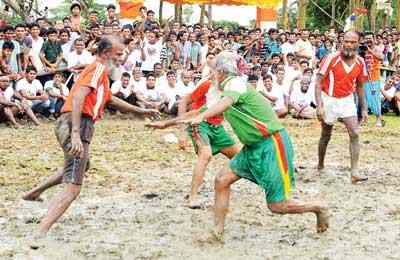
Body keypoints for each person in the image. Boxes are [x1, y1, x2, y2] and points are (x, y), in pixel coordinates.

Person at [22, 37, 159, 239]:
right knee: (74, 186)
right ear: (105, 54)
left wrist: (141, 110)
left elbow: (109, 99)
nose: (122, 58)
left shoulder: (99, 71)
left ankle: (33, 193)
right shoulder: (97, 69)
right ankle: (40, 231)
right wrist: (76, 133)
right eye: (119, 54)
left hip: (71, 123)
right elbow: (78, 98)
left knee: (80, 167)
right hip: (77, 124)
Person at [183, 51, 329, 240]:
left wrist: (202, 116)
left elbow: (223, 104)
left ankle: (318, 207)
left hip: (271, 144)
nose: (211, 75)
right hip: (252, 147)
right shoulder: (223, 89)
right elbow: (201, 110)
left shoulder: (234, 83)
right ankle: (217, 232)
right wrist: (167, 123)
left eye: (213, 71)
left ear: (221, 71)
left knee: (277, 205)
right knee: (221, 180)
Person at [147, 76, 240, 208]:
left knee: (241, 158)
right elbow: (188, 104)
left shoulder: (233, 90)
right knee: (205, 155)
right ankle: (193, 196)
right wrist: (178, 128)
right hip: (199, 124)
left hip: (218, 128)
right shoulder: (208, 85)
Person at [315, 31, 369, 184]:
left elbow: (360, 86)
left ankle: (354, 172)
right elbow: (318, 82)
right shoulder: (331, 58)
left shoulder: (360, 62)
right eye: (346, 41)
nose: (348, 45)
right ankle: (320, 164)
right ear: (341, 41)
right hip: (328, 99)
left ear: (358, 43)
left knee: (355, 133)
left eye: (352, 42)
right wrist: (319, 105)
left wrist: (364, 109)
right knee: (326, 134)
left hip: (347, 100)